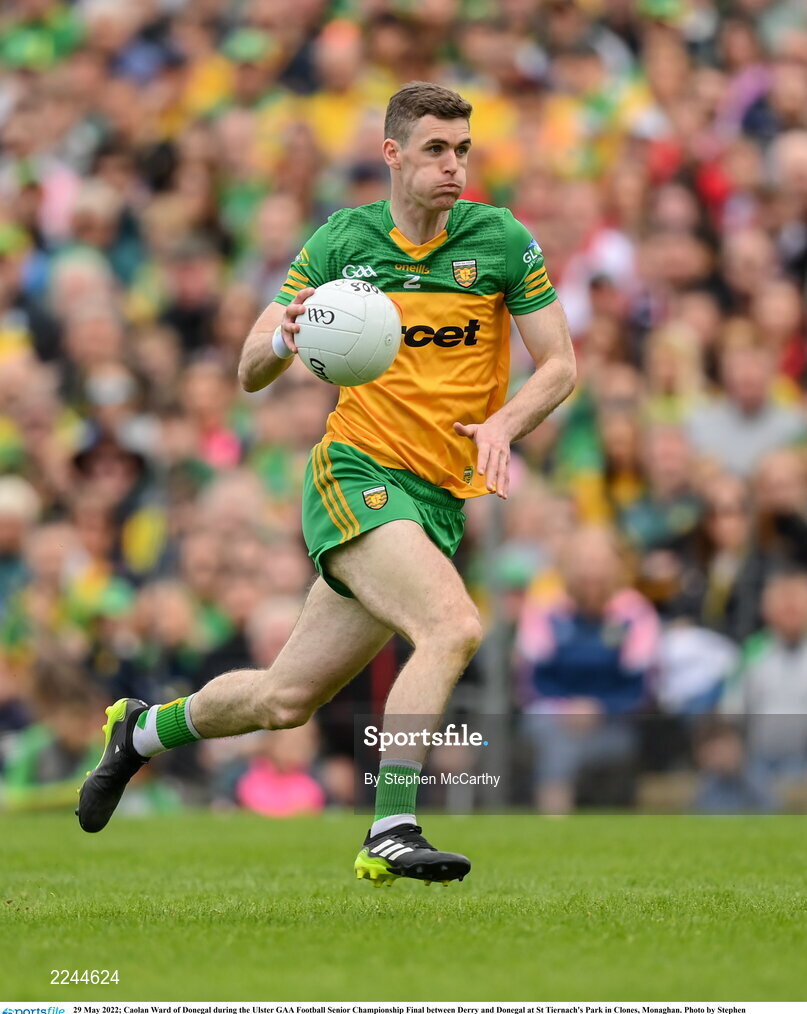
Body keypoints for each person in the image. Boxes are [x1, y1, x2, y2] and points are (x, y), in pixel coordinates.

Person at [76, 81, 576, 886]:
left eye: (462, 151)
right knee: (450, 627)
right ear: (391, 154)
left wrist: (502, 425)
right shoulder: (343, 242)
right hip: (357, 472)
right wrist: (283, 333)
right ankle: (391, 825)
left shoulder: (499, 240)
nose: (453, 167)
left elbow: (559, 364)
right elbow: (247, 369)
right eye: (434, 151)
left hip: (437, 497)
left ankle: (140, 732)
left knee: (283, 699)